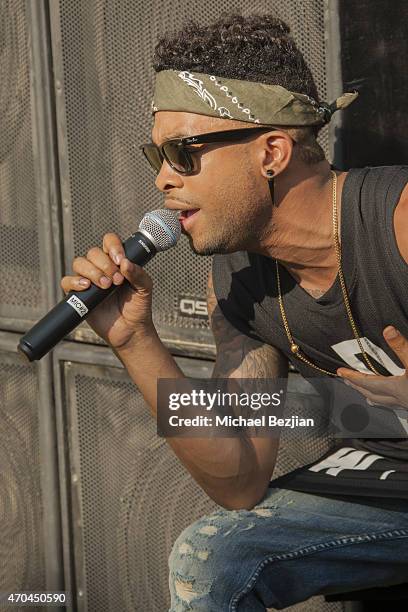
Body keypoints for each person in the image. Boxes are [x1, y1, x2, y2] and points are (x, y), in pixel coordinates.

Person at [61, 12, 408, 612]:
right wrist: (134, 340)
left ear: (272, 151)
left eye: (183, 153)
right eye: (157, 156)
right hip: (386, 480)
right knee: (213, 555)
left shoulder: (397, 222)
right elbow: (240, 480)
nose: (164, 179)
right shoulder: (242, 280)